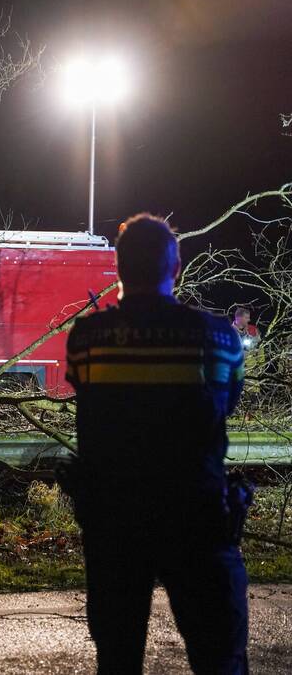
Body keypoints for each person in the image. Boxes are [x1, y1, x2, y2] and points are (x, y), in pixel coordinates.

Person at [62, 213, 250, 674]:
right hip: (197, 521)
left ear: (119, 267)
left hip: (114, 525)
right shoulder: (220, 338)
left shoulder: (87, 339)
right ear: (177, 267)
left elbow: (87, 400)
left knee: (118, 658)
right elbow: (225, 404)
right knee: (219, 657)